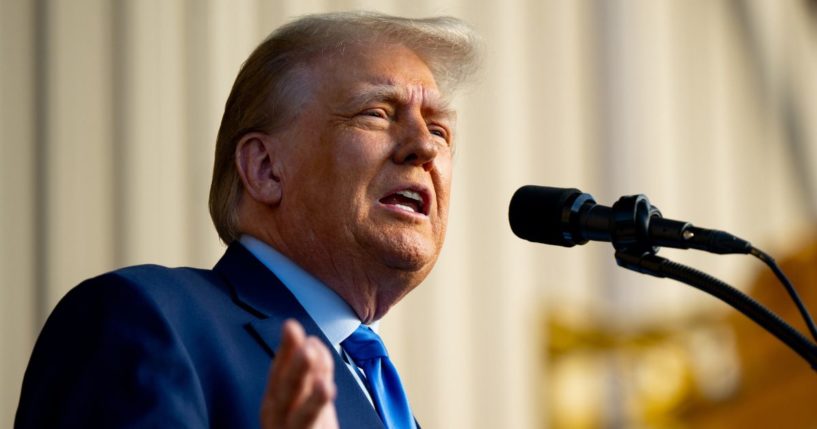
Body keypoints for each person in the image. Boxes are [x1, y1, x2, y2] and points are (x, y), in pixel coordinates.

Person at [15, 11, 480, 429]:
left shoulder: (386, 399)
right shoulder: (140, 320)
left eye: (439, 129)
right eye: (377, 113)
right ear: (265, 169)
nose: (425, 146)